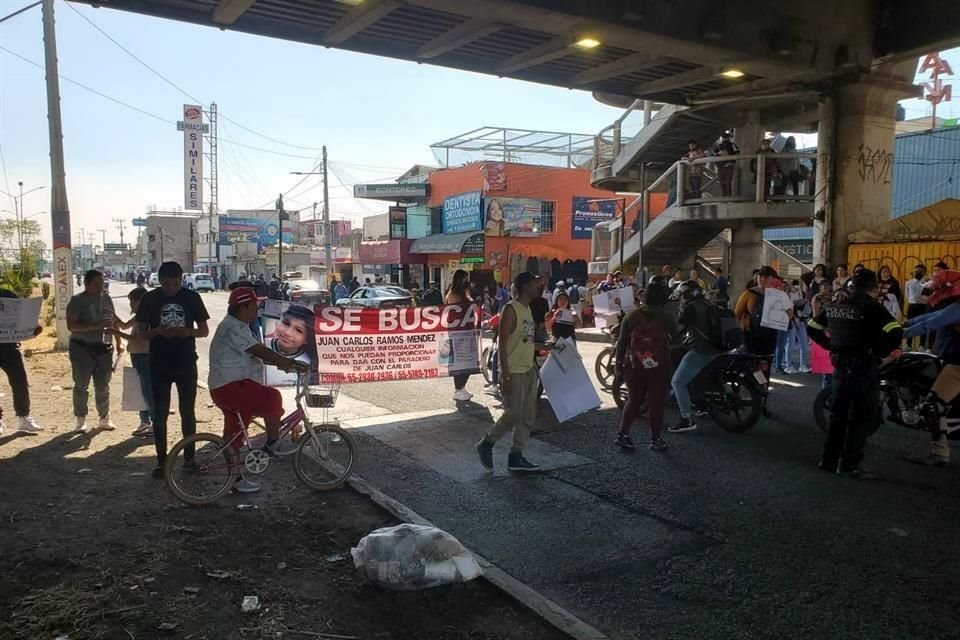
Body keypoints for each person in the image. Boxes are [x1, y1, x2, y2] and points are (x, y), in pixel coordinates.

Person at [807, 269, 903, 478]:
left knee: (837, 416)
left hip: (840, 368)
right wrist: (879, 353)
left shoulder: (837, 305)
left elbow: (812, 326)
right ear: (873, 288)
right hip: (863, 368)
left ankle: (828, 460)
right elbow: (896, 330)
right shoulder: (872, 307)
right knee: (861, 417)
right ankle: (850, 464)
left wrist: (831, 345)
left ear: (852, 285)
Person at [209, 287, 304, 493]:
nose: (257, 309)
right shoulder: (234, 328)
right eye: (254, 306)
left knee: (233, 435)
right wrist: (288, 363)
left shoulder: (237, 325)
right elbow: (258, 350)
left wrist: (281, 363)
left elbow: (257, 355)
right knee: (272, 398)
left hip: (226, 387)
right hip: (231, 386)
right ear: (243, 307)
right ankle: (273, 442)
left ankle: (235, 481)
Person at [135, 261, 210, 478]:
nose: (171, 289)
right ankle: (161, 462)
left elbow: (204, 331)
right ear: (160, 281)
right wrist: (157, 331)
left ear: (181, 281)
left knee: (188, 412)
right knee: (160, 414)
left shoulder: (191, 297)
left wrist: (186, 332)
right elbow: (140, 333)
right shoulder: (150, 299)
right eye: (167, 284)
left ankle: (189, 459)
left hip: (186, 361)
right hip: (159, 362)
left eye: (176, 284)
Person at [475, 272, 543, 473]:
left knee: (527, 415)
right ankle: (486, 443)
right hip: (513, 369)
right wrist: (504, 376)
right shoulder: (511, 309)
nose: (537, 286)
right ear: (524, 286)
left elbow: (526, 340)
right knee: (514, 413)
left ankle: (516, 455)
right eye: (533, 283)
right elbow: (503, 344)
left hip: (529, 368)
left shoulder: (527, 309)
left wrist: (549, 346)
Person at [902, 269, 960, 467]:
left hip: (958, 364)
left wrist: (901, 333)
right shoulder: (955, 305)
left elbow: (934, 322)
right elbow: (936, 315)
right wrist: (907, 323)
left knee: (933, 405)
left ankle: (940, 453)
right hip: (953, 360)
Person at [614, 280, 678, 450]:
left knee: (634, 400)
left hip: (634, 365)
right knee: (656, 402)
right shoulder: (667, 317)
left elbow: (621, 342)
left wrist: (619, 364)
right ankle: (655, 439)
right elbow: (677, 338)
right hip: (659, 366)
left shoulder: (631, 316)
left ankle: (623, 434)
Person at [67, 269, 119, 433]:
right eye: (96, 283)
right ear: (87, 283)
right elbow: (72, 325)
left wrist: (119, 341)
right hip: (82, 347)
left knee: (103, 385)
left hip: (104, 347)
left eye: (102, 283)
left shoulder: (106, 299)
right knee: (81, 384)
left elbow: (113, 320)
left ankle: (104, 417)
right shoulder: (77, 301)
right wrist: (95, 326)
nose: (100, 286)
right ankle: (80, 419)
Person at [667, 280, 723, 433]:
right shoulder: (707, 303)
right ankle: (702, 406)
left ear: (686, 294)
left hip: (702, 349)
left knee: (677, 382)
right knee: (698, 375)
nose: (681, 298)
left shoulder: (691, 307)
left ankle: (686, 419)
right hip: (719, 349)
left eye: (682, 295)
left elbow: (678, 328)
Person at [113, 287, 155, 437]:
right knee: (141, 389)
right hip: (137, 354)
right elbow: (125, 325)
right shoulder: (138, 316)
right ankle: (145, 421)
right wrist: (114, 318)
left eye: (132, 302)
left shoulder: (147, 316)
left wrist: (115, 333)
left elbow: (136, 338)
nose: (131, 305)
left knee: (148, 390)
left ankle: (154, 423)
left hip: (144, 354)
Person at [0, 288, 42, 435]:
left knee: (20, 382)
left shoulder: (8, 295)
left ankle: (24, 419)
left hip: (10, 347)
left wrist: (33, 329)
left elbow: (22, 318)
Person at [734, 266, 780, 358]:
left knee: (766, 362)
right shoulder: (748, 294)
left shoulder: (776, 295)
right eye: (760, 277)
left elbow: (783, 314)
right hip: (751, 335)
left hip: (770, 335)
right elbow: (737, 314)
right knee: (752, 364)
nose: (772, 283)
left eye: (772, 280)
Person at [446, 269, 474, 402]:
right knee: (459, 361)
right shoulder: (452, 294)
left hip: (467, 331)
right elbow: (459, 307)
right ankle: (458, 389)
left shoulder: (464, 293)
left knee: (469, 360)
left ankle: (462, 387)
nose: (466, 282)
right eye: (464, 279)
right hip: (457, 332)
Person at [783, 280, 811, 374]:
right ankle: (788, 366)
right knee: (790, 343)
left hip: (801, 320)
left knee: (804, 344)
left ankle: (803, 365)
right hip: (791, 321)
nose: (793, 287)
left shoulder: (798, 292)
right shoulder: (784, 296)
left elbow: (800, 304)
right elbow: (788, 308)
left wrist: (804, 299)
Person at [905, 264, 930, 350]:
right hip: (912, 306)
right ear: (913, 272)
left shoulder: (927, 283)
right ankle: (908, 345)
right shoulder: (908, 283)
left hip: (923, 306)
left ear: (924, 272)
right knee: (910, 325)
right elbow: (907, 295)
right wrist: (912, 301)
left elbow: (928, 296)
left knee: (923, 325)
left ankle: (921, 345)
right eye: (916, 271)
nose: (918, 273)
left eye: (920, 272)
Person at [711, 131, 740, 197]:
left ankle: (728, 197)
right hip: (720, 166)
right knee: (722, 181)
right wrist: (719, 154)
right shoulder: (718, 146)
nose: (725, 139)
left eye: (726, 137)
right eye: (724, 138)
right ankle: (724, 197)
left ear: (729, 138)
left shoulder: (732, 145)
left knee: (728, 181)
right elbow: (712, 154)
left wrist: (729, 157)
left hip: (729, 164)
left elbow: (738, 154)